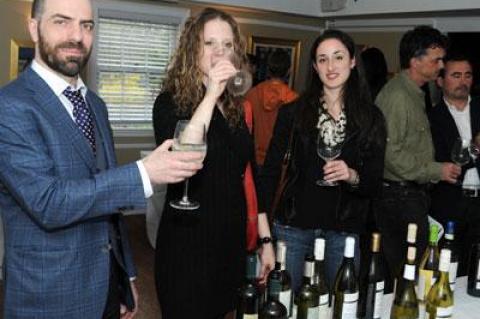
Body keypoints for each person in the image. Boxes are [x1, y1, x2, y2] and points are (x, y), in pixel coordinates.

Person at [0, 0, 203, 318]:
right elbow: (49, 203)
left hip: (105, 286)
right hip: (48, 296)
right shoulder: (10, 106)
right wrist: (143, 175)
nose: (76, 36)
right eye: (61, 22)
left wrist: (126, 275)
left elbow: (108, 206)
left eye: (87, 25)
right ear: (33, 28)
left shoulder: (95, 104)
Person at [152, 8, 275, 319]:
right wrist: (209, 96)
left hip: (229, 239)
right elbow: (183, 155)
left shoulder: (237, 108)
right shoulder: (170, 102)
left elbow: (251, 175)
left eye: (228, 44)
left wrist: (265, 239)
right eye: (209, 44)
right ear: (193, 50)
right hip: (187, 242)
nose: (220, 52)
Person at [258, 29, 386, 292]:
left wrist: (351, 175)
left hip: (343, 231)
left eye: (338, 57)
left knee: (342, 305)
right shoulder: (292, 113)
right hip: (293, 230)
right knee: (285, 305)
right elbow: (269, 174)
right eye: (322, 59)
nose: (331, 66)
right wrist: (265, 240)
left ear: (352, 61)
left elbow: (373, 183)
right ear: (315, 67)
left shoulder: (371, 118)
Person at [374, 25, 461, 291]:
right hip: (398, 198)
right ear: (415, 60)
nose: (441, 65)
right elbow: (390, 154)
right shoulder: (398, 96)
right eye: (436, 59)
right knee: (408, 276)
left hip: (409, 196)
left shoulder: (415, 92)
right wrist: (437, 170)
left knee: (411, 274)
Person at [429, 53, 480, 275]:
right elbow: (440, 159)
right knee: (447, 269)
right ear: (440, 81)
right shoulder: (431, 117)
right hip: (448, 203)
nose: (463, 81)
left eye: (467, 75)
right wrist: (475, 149)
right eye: (456, 75)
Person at [245, 49, 298, 170]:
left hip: (253, 157)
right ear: (289, 71)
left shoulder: (252, 94)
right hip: (278, 161)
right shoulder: (294, 99)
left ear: (268, 69)